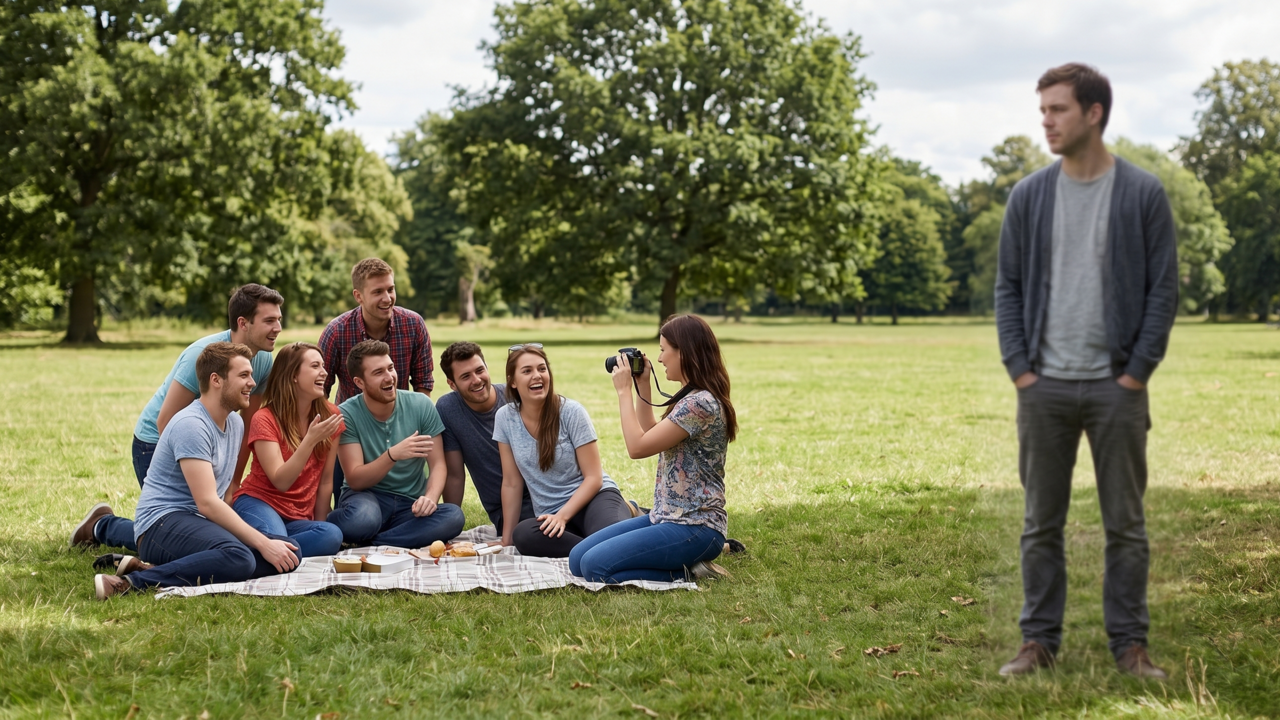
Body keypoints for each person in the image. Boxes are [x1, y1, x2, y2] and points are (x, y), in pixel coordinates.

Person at [993, 64, 1177, 679]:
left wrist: (1136, 374)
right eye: (1042, 109)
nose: (1045, 120)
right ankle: (1038, 643)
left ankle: (1130, 646)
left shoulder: (1143, 193)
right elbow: (1008, 289)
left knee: (1125, 525)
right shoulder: (1028, 195)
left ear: (1094, 113)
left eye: (1057, 109)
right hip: (1042, 388)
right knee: (1040, 524)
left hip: (1117, 388)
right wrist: (1021, 371)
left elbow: (1162, 291)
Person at [71, 284, 284, 553]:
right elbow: (167, 422)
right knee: (175, 526)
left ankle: (104, 526)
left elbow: (247, 426)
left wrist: (232, 482)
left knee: (203, 526)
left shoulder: (263, 360)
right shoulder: (202, 355)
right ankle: (103, 526)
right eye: (269, 320)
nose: (278, 328)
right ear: (243, 323)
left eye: (279, 319)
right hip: (155, 441)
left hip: (204, 442)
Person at [93, 343, 301, 599]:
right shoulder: (191, 424)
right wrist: (261, 543)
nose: (252, 382)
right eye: (243, 375)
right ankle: (130, 582)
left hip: (198, 523)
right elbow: (207, 503)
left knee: (291, 551)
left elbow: (223, 495)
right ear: (216, 380)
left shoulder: (234, 422)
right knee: (241, 557)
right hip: (159, 526)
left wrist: (263, 543)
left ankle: (164, 569)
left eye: (251, 375)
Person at [571, 315, 735, 583]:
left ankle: (687, 571)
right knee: (578, 557)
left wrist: (624, 392)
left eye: (663, 350)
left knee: (594, 567)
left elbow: (636, 448)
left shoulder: (700, 404)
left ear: (685, 352)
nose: (659, 359)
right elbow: (650, 433)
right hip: (665, 517)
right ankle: (684, 566)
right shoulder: (690, 396)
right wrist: (642, 385)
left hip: (695, 527)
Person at [494, 344, 631, 557]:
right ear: (512, 381)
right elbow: (512, 483)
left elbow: (594, 478)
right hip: (552, 516)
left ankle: (617, 525)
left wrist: (563, 517)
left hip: (593, 499)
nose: (537, 376)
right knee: (523, 535)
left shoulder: (571, 412)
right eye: (527, 371)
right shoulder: (505, 417)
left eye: (542, 369)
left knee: (610, 538)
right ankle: (595, 546)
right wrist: (507, 538)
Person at [325, 340, 464, 547]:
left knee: (453, 516)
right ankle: (371, 533)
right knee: (362, 519)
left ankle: (374, 541)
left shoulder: (421, 405)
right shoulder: (347, 413)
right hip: (366, 498)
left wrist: (431, 497)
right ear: (359, 382)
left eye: (390, 368)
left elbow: (438, 465)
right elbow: (355, 479)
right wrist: (392, 455)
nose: (389, 377)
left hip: (410, 505)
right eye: (378, 372)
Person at [319, 258, 434, 502]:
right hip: (351, 430)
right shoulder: (337, 331)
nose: (387, 298)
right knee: (350, 504)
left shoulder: (413, 324)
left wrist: (412, 433)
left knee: (406, 502)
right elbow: (319, 391)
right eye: (378, 292)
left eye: (390, 289)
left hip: (401, 425)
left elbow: (423, 385)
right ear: (358, 296)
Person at [230, 342, 345, 558]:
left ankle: (258, 548)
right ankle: (261, 547)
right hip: (259, 503)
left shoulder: (331, 415)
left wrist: (317, 524)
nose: (324, 372)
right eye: (315, 366)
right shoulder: (264, 419)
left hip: (298, 518)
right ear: (293, 375)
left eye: (323, 366)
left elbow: (326, 480)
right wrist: (309, 441)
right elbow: (281, 481)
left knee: (331, 535)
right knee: (277, 539)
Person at [436, 342, 536, 535]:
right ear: (452, 384)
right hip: (504, 510)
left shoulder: (516, 396)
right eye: (465, 376)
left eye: (480, 370)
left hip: (544, 494)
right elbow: (454, 475)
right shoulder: (447, 409)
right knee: (534, 531)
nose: (476, 380)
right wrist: (448, 523)